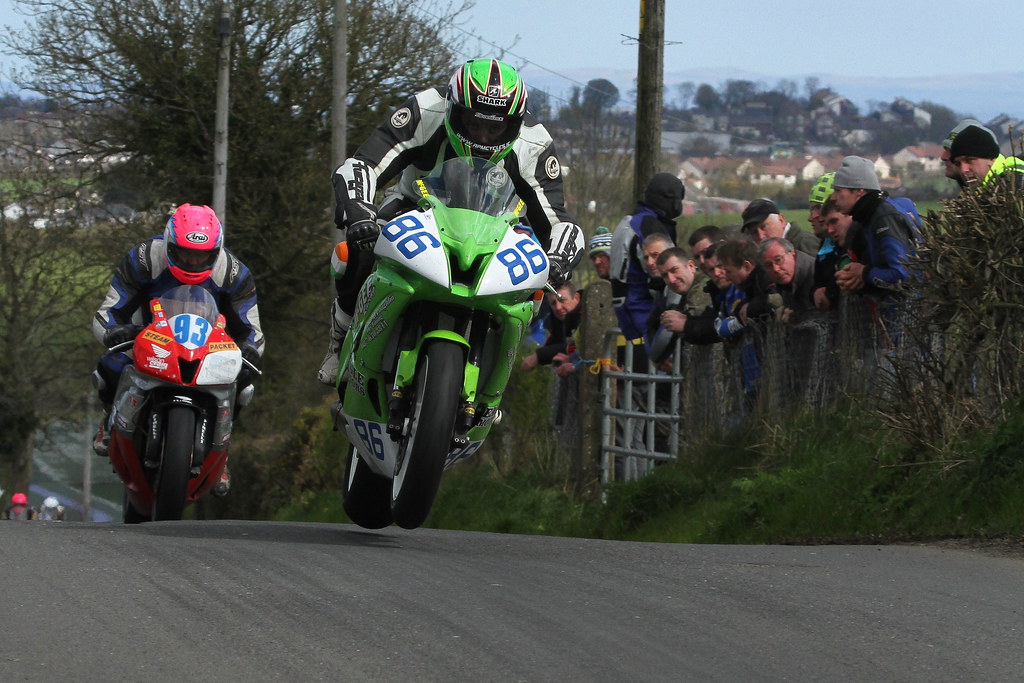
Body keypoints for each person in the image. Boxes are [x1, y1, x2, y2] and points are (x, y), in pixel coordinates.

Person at [320, 58, 585, 385]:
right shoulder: (424, 111)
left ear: (514, 124)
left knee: (528, 292)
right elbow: (362, 164)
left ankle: (492, 384)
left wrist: (559, 259)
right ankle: (340, 337)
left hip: (493, 227)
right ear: (453, 108)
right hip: (414, 206)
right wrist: (359, 209)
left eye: (495, 127)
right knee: (354, 251)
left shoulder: (534, 144)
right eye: (473, 123)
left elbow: (559, 219)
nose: (483, 136)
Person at [92, 203, 264, 497]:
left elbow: (252, 328)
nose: (192, 261)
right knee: (109, 365)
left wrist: (248, 348)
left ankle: (223, 449)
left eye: (201, 255)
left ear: (216, 251)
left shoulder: (233, 273)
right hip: (149, 338)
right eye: (185, 252)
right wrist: (113, 331)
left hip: (209, 345)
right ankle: (109, 421)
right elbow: (110, 308)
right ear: (169, 243)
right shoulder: (144, 259)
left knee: (244, 382)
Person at [609, 172, 685, 341]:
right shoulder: (649, 225)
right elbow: (665, 274)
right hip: (643, 312)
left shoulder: (629, 221)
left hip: (626, 313)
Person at [520, 282, 582, 377]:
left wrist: (539, 356)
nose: (558, 307)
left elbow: (577, 346)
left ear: (576, 298)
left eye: (562, 300)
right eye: (553, 303)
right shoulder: (559, 319)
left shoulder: (586, 315)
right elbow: (555, 342)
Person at [948, 121, 1024, 190]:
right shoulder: (991, 187)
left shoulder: (1014, 184)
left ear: (991, 157)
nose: (963, 170)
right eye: (958, 164)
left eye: (969, 160)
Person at [759, 237, 817, 324]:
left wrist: (797, 319)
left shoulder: (815, 274)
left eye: (778, 260)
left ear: (792, 253)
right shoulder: (784, 283)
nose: (776, 269)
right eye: (768, 265)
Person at [740, 197, 820, 257]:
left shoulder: (805, 244)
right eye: (754, 232)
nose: (761, 236)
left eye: (764, 226)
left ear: (781, 220)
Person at [941, 118, 988, 189]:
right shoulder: (985, 192)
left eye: (952, 151)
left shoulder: (1005, 188)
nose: (943, 157)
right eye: (945, 150)